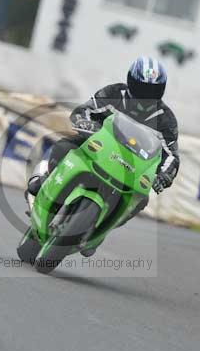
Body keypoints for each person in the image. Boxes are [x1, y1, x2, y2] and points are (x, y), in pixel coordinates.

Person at [27, 56, 180, 255]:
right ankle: (46, 179)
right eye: (141, 88)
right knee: (64, 146)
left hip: (132, 165)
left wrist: (164, 175)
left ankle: (100, 229)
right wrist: (85, 123)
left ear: (161, 90)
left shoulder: (166, 119)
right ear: (131, 81)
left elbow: (171, 155)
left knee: (140, 199)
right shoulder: (114, 93)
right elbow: (84, 110)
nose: (146, 94)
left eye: (152, 90)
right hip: (97, 146)